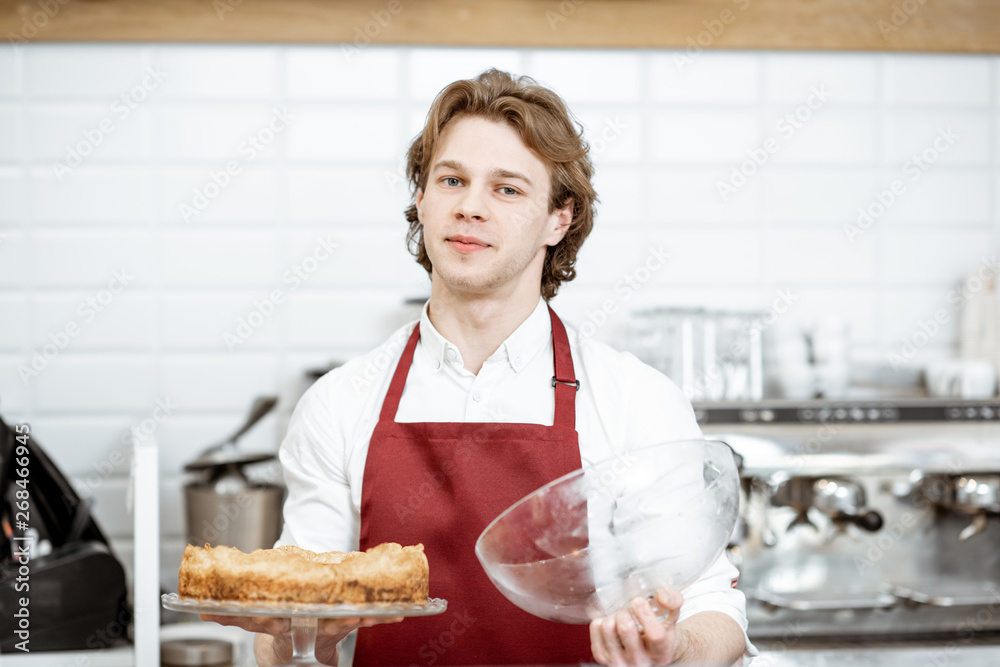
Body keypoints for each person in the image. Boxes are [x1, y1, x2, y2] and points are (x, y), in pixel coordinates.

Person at [203, 69, 754, 666]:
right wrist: (293, 639)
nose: (470, 207)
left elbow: (713, 609)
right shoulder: (338, 402)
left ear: (558, 220)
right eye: (451, 180)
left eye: (507, 189)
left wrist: (673, 650)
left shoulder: (635, 398)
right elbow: (289, 624)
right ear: (421, 198)